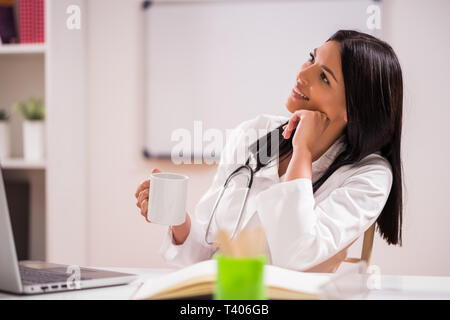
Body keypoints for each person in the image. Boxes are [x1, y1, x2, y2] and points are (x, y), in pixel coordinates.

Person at [135, 30, 403, 272]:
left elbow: (297, 254)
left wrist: (303, 152)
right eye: (311, 58)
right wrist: (177, 218)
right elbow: (208, 252)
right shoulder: (256, 131)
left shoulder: (370, 176)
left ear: (355, 111)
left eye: (323, 77)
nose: (302, 75)